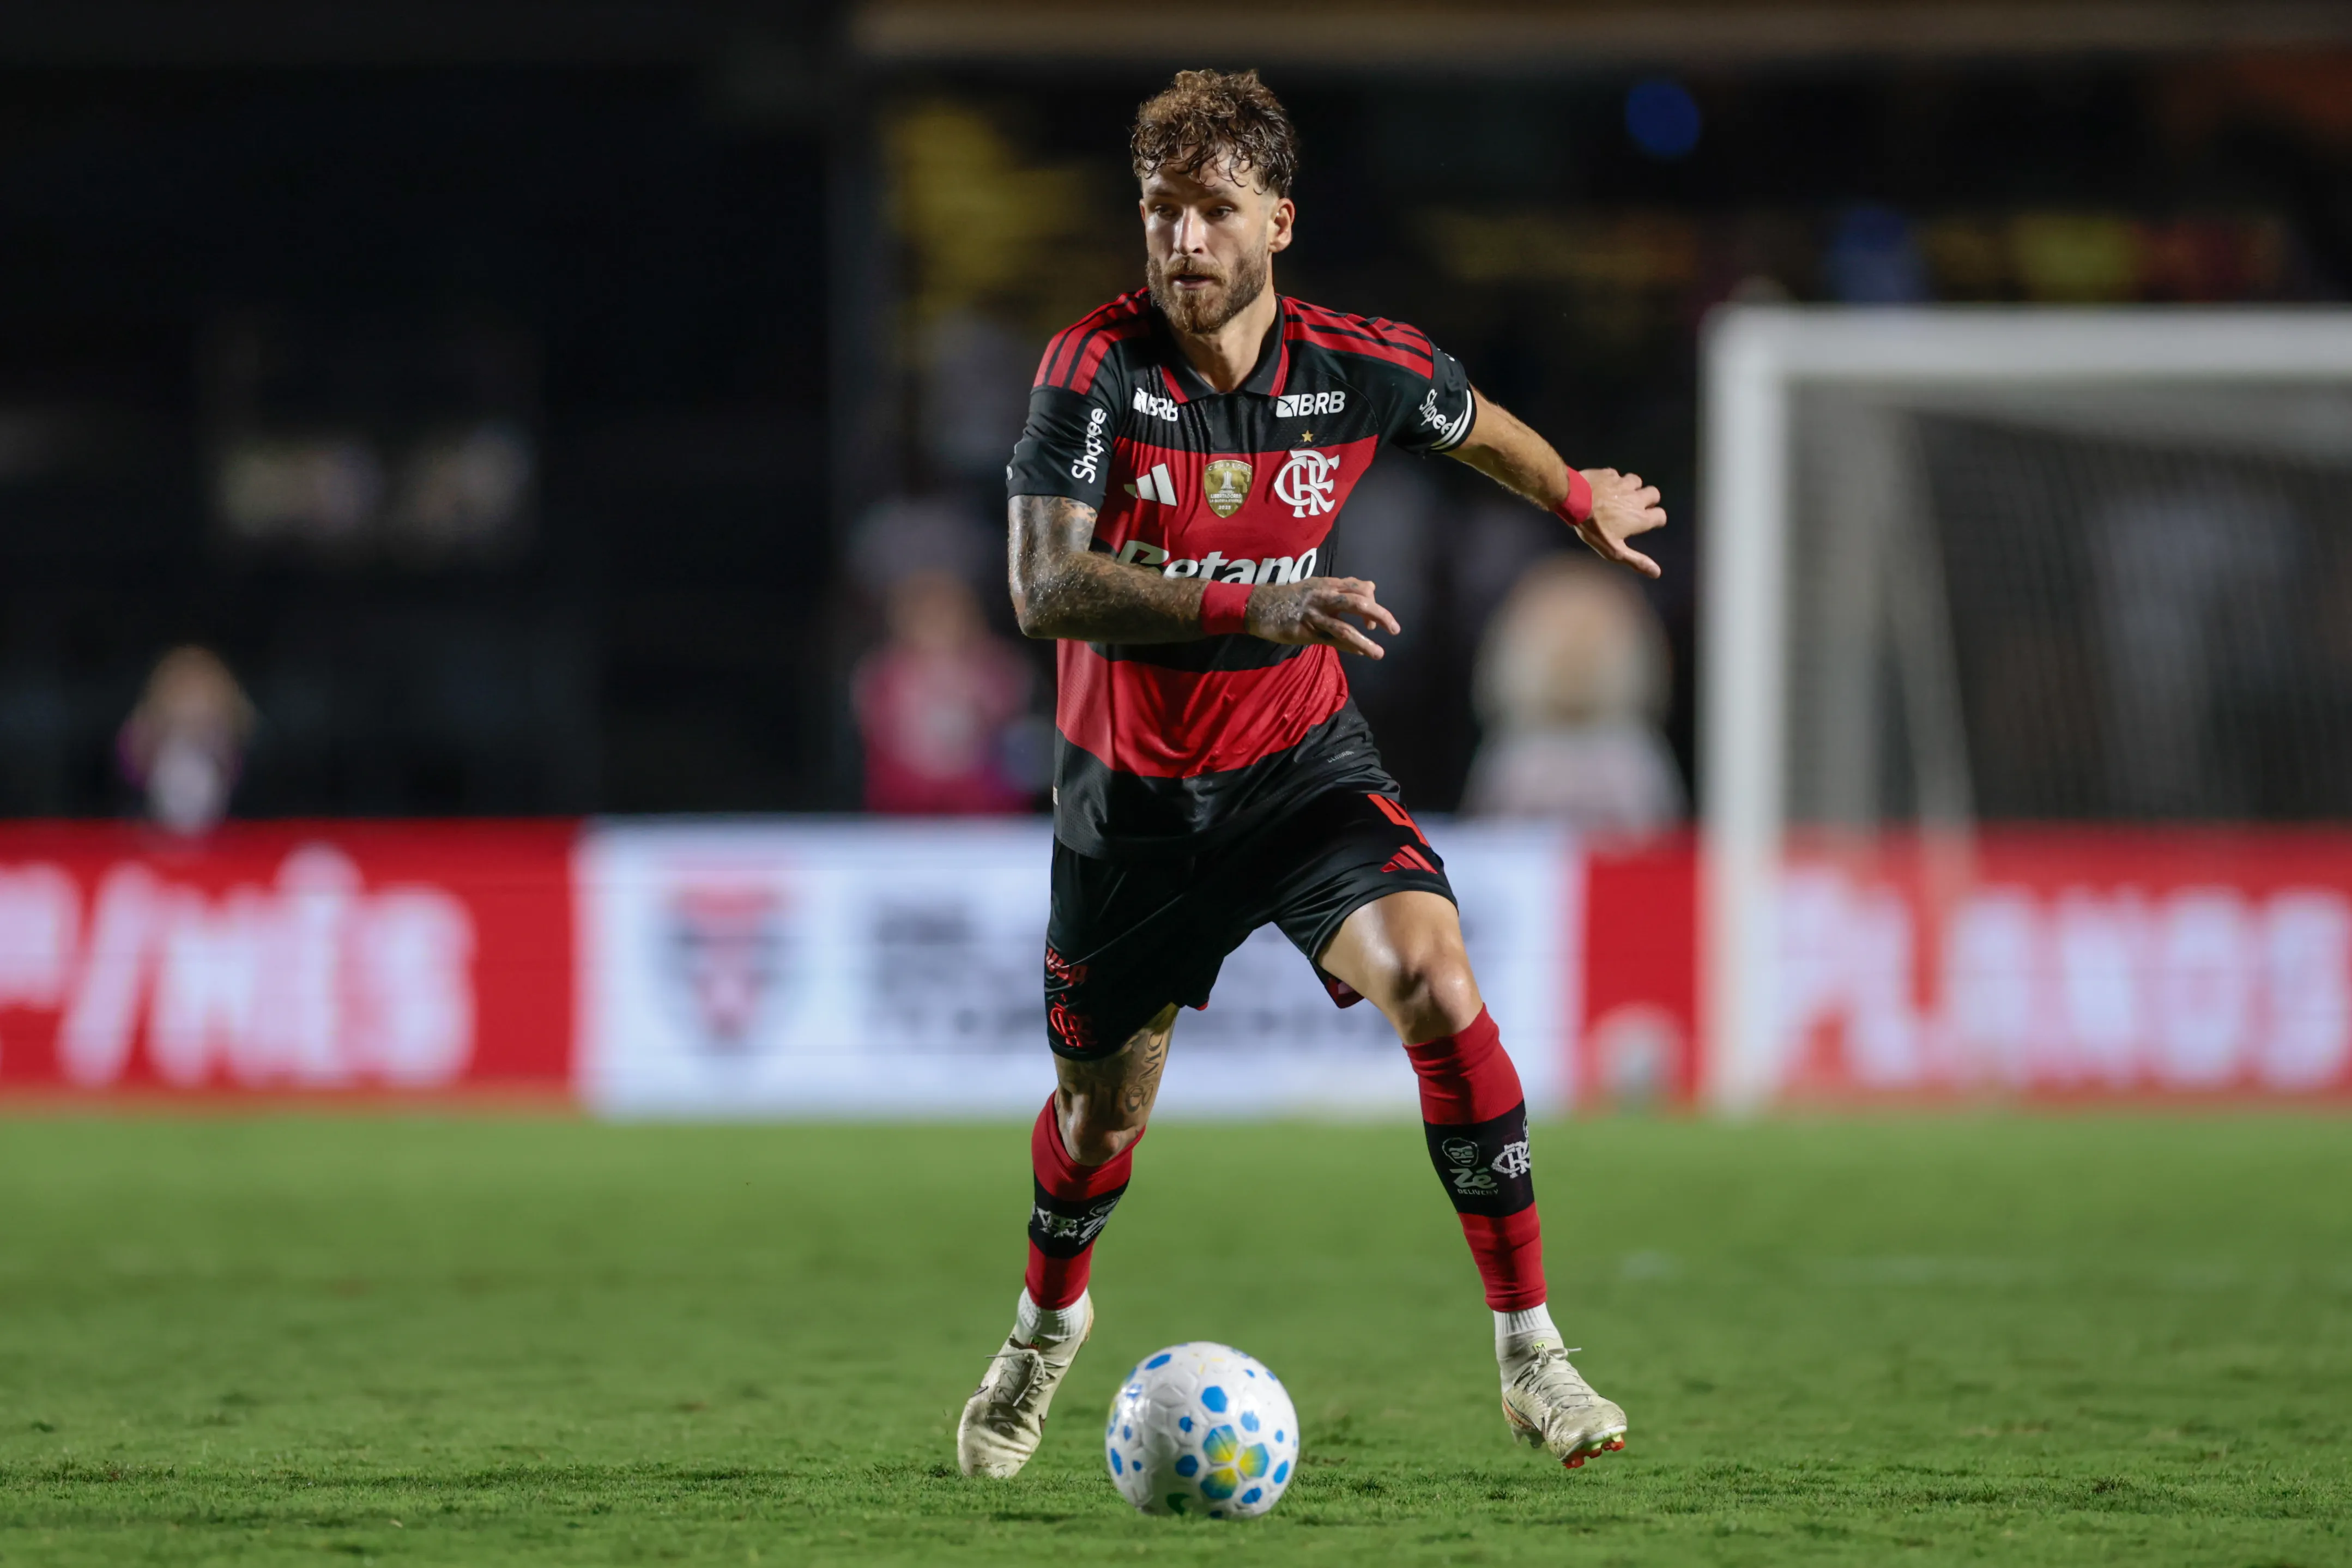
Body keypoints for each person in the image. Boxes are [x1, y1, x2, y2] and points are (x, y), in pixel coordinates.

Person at [958, 69, 1666, 1479]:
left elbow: (1475, 425)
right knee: (1102, 1115)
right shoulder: (1092, 369)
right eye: (1159, 211)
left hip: (1296, 771)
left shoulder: (1355, 364)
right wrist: (1252, 603)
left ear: (1277, 219)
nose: (1181, 242)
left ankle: (1530, 1346)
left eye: (1213, 211)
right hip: (1132, 806)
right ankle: (1045, 1323)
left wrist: (1574, 496)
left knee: (1437, 981)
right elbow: (1042, 589)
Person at [1463, 555, 1686, 832]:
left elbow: (1659, 860)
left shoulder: (1632, 762)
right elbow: (1490, 858)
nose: (1575, 648)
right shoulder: (1517, 762)